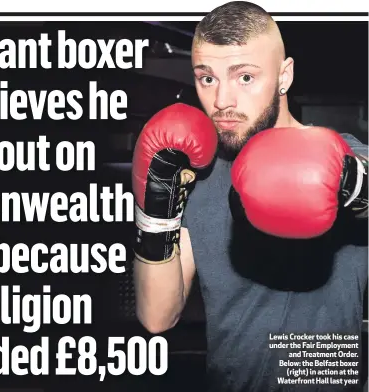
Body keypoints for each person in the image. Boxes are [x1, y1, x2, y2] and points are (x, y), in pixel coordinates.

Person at [131, 2, 368, 391]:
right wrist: (156, 208)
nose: (223, 100)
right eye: (207, 79)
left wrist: (349, 181)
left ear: (283, 76)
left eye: (244, 77)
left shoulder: (343, 153)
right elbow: (157, 316)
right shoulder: (195, 175)